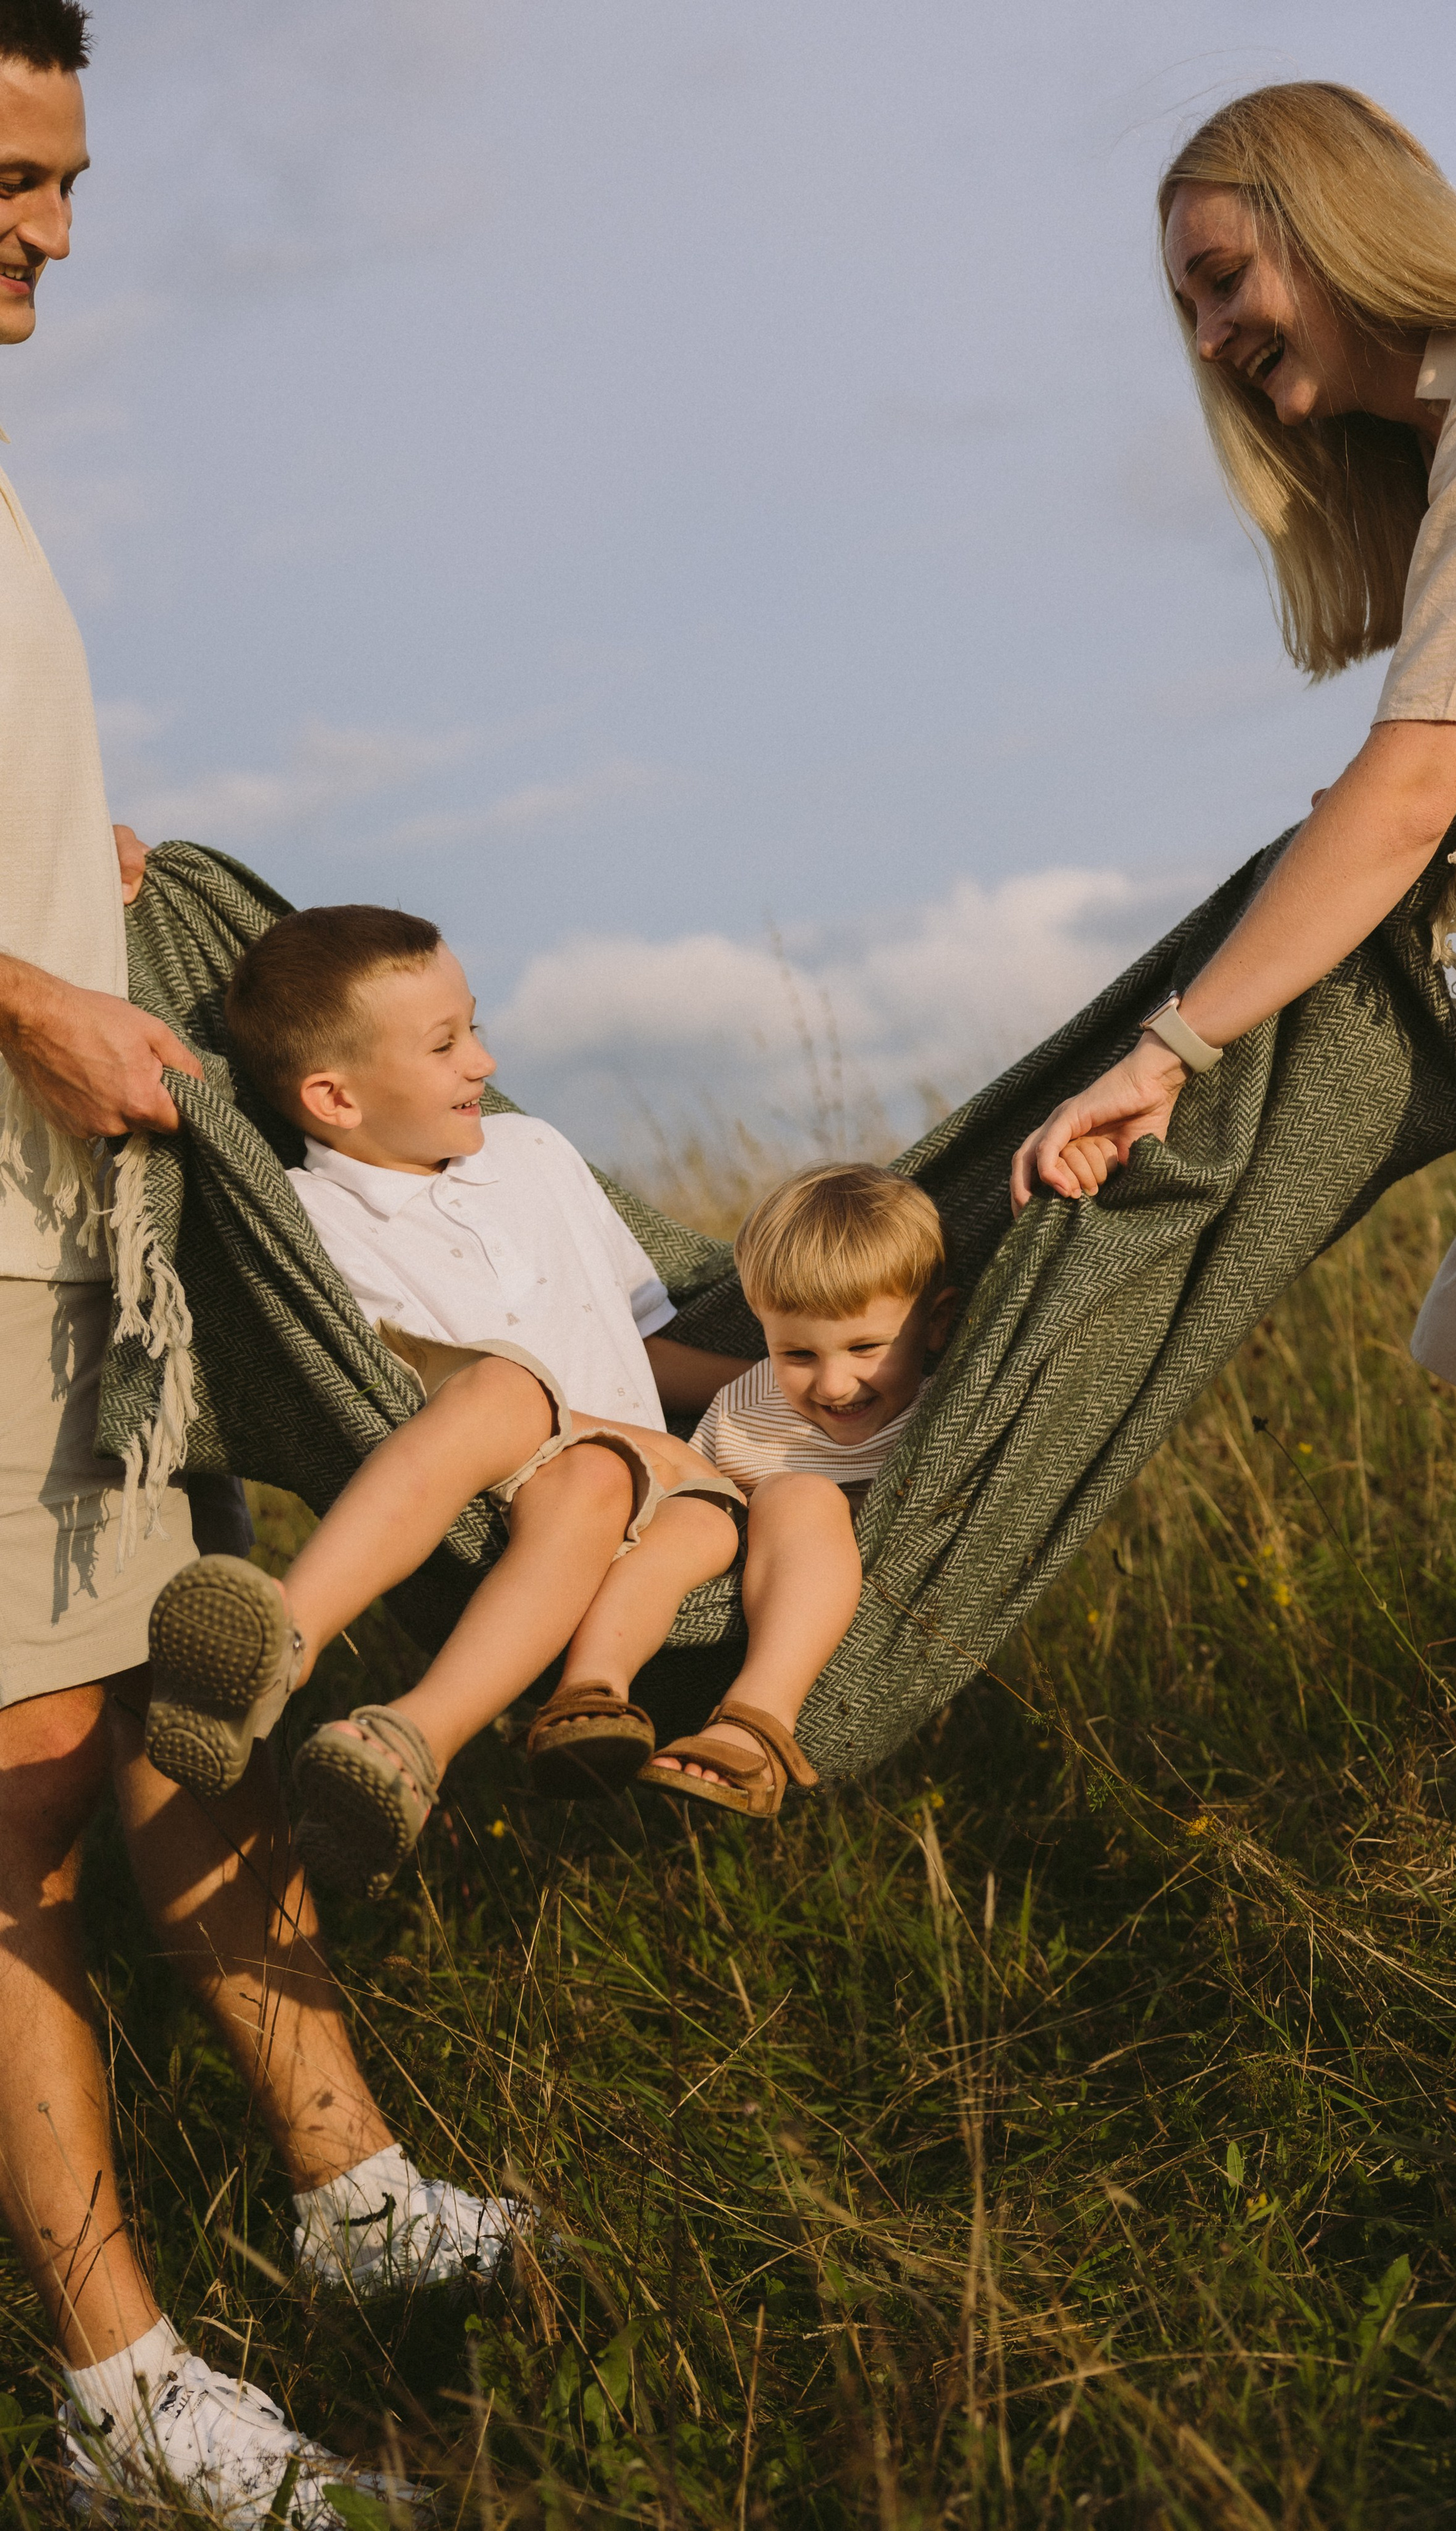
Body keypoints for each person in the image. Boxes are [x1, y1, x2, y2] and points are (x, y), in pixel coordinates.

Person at [0, 12, 511, 2520]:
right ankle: (119, 2391)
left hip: (75, 1257)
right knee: (6, 1808)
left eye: (70, 177)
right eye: (13, 168)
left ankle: (355, 2203)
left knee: (167, 1727)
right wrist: (18, 992)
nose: (53, 228)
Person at [1010, 81, 1456, 1745]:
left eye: (1225, 274)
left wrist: (1168, 1047)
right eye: (1184, 304)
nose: (1211, 330)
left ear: (1335, 224)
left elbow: (1415, 779)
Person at [144, 904, 883, 1890]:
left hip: (670, 1499)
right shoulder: (303, 1220)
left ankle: (390, 1722)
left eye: (476, 1027)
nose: (484, 1064)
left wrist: (801, 1388)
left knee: (589, 1465)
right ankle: (310, 1663)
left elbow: (644, 1342)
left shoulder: (531, 1152)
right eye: (447, 1044)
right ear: (334, 1097)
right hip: (499, 1485)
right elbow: (395, 1389)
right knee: (514, 1403)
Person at [571, 1159, 957, 1809]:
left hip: (826, 1578)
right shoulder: (744, 1405)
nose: (832, 1386)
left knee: (798, 1493)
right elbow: (697, 1500)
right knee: (687, 1523)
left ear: (936, 1325)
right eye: (797, 1355)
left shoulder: (952, 1407)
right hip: (736, 1566)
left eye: (865, 1348)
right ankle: (591, 1692)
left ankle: (756, 1720)